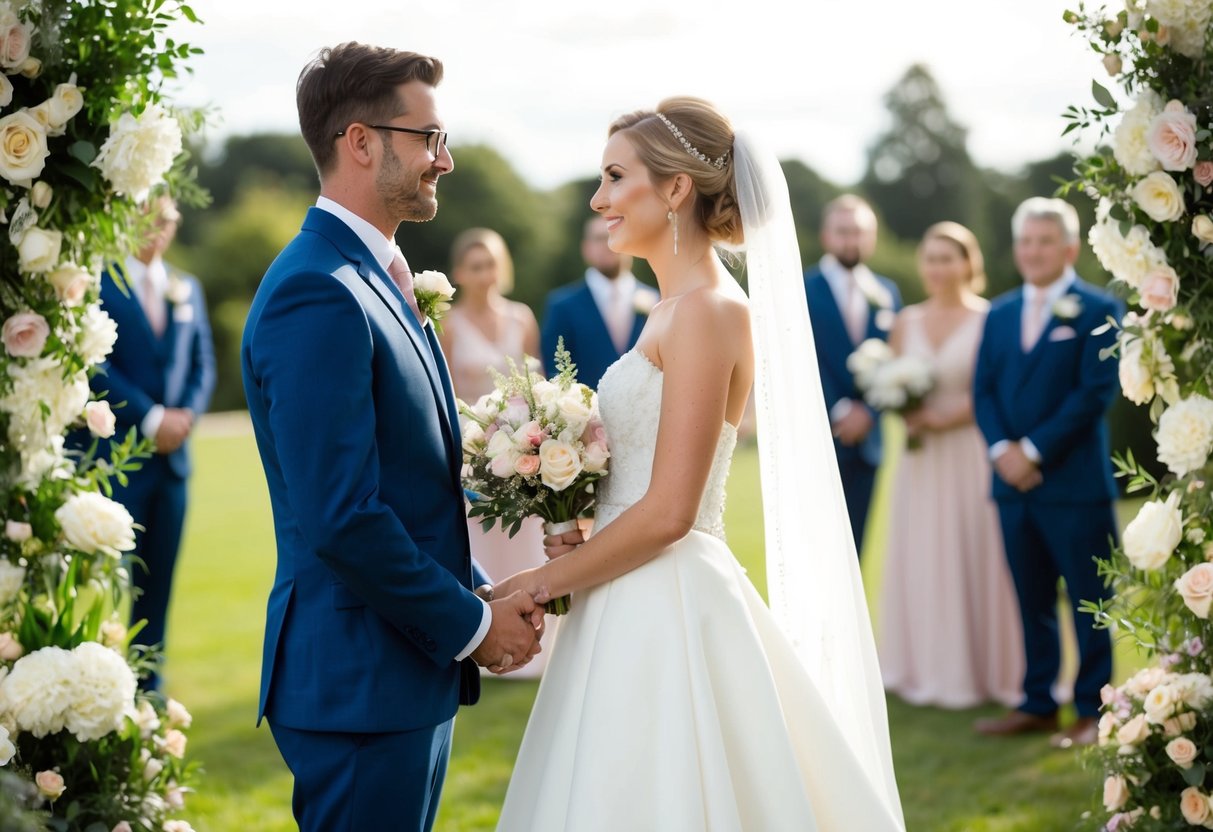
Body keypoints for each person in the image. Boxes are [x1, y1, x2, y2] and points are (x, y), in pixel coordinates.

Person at [493, 97, 904, 830]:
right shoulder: (669, 309)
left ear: (675, 188)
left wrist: (539, 580)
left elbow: (670, 510)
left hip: (668, 596)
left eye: (615, 177)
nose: (599, 199)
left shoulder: (712, 312)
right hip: (619, 583)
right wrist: (572, 521)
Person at [239, 43, 543, 831]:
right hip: (357, 684)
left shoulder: (378, 275)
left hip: (399, 666)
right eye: (428, 138)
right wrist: (473, 627)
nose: (443, 160)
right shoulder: (317, 289)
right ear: (361, 142)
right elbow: (343, 514)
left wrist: (480, 591)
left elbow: (410, 487)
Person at [972, 198, 1123, 750]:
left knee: (1089, 602)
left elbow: (1093, 395)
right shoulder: (999, 312)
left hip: (1074, 486)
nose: (1033, 251)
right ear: (1017, 248)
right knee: (1030, 600)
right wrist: (1002, 452)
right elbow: (982, 390)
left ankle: (1093, 710)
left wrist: (1031, 452)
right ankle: (1038, 703)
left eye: (1045, 242)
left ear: (1070, 248)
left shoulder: (1101, 309)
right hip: (1010, 489)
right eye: (1026, 242)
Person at [878, 221, 1023, 709]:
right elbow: (888, 384)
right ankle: (923, 665)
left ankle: (985, 671)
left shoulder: (991, 318)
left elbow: (998, 391)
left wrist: (948, 416)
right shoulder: (906, 322)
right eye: (931, 258)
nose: (939, 268)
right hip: (921, 462)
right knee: (923, 553)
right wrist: (905, 409)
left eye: (949, 257)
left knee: (977, 552)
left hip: (970, 453)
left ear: (969, 263)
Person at [91, 194, 215, 692]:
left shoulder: (187, 286)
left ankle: (148, 694)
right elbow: (94, 364)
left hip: (174, 465)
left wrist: (184, 416)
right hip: (114, 461)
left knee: (157, 588)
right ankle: (95, 685)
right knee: (103, 586)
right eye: (148, 218)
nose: (158, 228)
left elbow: (203, 364)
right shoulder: (98, 283)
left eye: (166, 220)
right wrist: (151, 417)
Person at [438, 227, 553, 678]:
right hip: (472, 451)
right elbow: (443, 391)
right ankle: (485, 636)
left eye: (491, 262)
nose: (485, 273)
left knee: (526, 539)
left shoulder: (521, 318)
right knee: (480, 541)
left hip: (521, 447)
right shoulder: (448, 323)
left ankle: (535, 640)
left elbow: (536, 382)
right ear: (460, 272)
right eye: (475, 264)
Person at [804, 195, 902, 556]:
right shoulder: (802, 288)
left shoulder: (888, 293)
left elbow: (895, 358)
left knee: (854, 551)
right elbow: (801, 357)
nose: (852, 240)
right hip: (817, 439)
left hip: (869, 444)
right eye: (843, 232)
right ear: (827, 236)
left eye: (860, 232)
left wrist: (870, 412)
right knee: (815, 551)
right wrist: (839, 409)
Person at [540, 215, 659, 389]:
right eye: (600, 238)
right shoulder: (561, 306)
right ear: (586, 248)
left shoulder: (657, 300)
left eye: (615, 234)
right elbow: (554, 373)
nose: (609, 244)